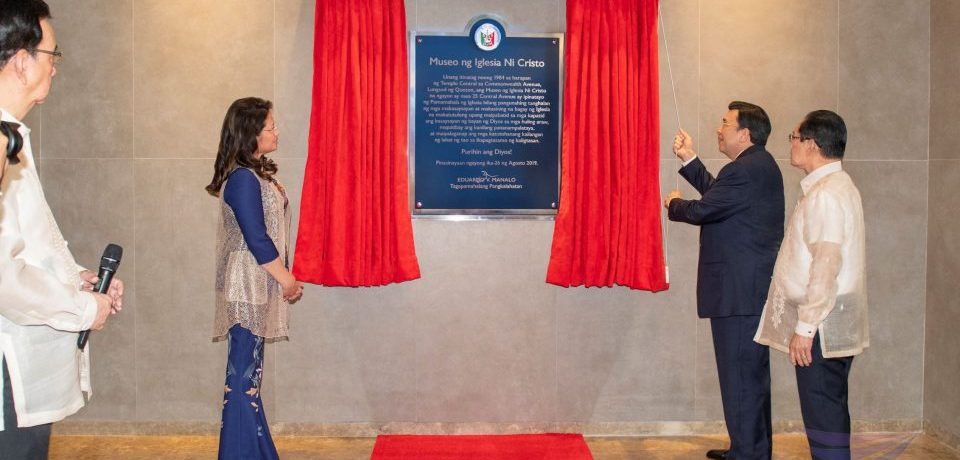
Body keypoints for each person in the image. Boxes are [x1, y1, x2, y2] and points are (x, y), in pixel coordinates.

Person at [0, 1, 123, 458]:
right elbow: (3, 275)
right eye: (52, 55)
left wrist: (75, 279)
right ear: (21, 61)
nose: (55, 67)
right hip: (7, 370)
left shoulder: (12, 137)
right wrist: (81, 309)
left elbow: (28, 244)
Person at [665, 101, 784, 460]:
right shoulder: (756, 167)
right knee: (748, 377)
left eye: (725, 123)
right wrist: (689, 158)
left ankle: (748, 454)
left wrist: (674, 204)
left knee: (740, 378)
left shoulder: (744, 170)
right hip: (747, 292)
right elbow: (721, 196)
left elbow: (704, 209)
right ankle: (750, 449)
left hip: (737, 294)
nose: (719, 129)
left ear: (744, 134)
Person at [754, 110, 866, 460]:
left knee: (824, 419)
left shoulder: (825, 195)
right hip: (829, 323)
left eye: (794, 137)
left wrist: (805, 328)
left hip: (821, 327)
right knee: (829, 415)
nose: (791, 144)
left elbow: (825, 265)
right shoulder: (837, 186)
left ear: (812, 144)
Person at [205, 97, 303, 459]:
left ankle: (254, 451)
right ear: (251, 133)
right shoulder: (243, 179)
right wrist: (286, 279)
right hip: (245, 282)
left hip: (256, 280)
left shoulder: (256, 176)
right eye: (270, 126)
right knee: (243, 376)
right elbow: (256, 237)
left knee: (249, 376)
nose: (276, 131)